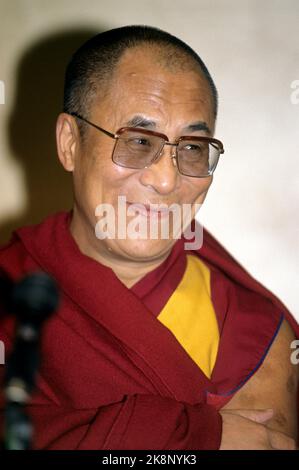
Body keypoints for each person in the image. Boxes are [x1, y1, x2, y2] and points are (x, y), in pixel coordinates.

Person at [0, 25, 298, 450]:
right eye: (139, 140)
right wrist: (191, 439)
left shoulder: (254, 335)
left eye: (193, 148)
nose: (166, 178)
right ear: (70, 143)